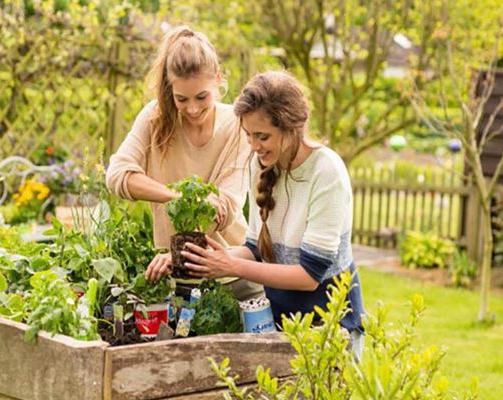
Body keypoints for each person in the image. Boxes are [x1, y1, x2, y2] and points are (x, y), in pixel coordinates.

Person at [179, 71, 365, 354]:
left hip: (330, 328)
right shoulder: (262, 165)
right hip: (279, 325)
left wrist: (230, 266)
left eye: (262, 136)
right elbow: (255, 248)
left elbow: (309, 276)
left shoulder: (326, 172)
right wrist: (205, 259)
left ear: (291, 128)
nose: (253, 146)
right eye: (249, 136)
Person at [105, 25, 262, 301]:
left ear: (218, 78)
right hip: (177, 280)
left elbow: (224, 208)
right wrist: (175, 197)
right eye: (181, 99)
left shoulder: (237, 126)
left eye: (202, 96)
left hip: (233, 278)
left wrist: (177, 252)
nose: (192, 109)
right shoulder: (155, 119)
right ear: (170, 88)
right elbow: (117, 174)